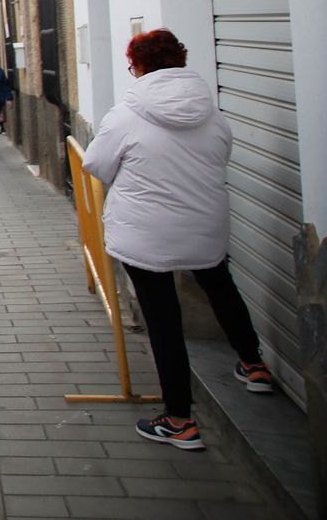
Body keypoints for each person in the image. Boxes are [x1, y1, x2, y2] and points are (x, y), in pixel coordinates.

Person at [82, 29, 274, 451]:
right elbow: (222, 153)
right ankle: (254, 364)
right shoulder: (210, 110)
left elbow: (96, 163)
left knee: (163, 319)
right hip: (205, 222)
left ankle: (179, 420)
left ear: (139, 66)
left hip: (147, 230)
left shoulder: (126, 114)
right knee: (220, 287)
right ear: (180, 61)